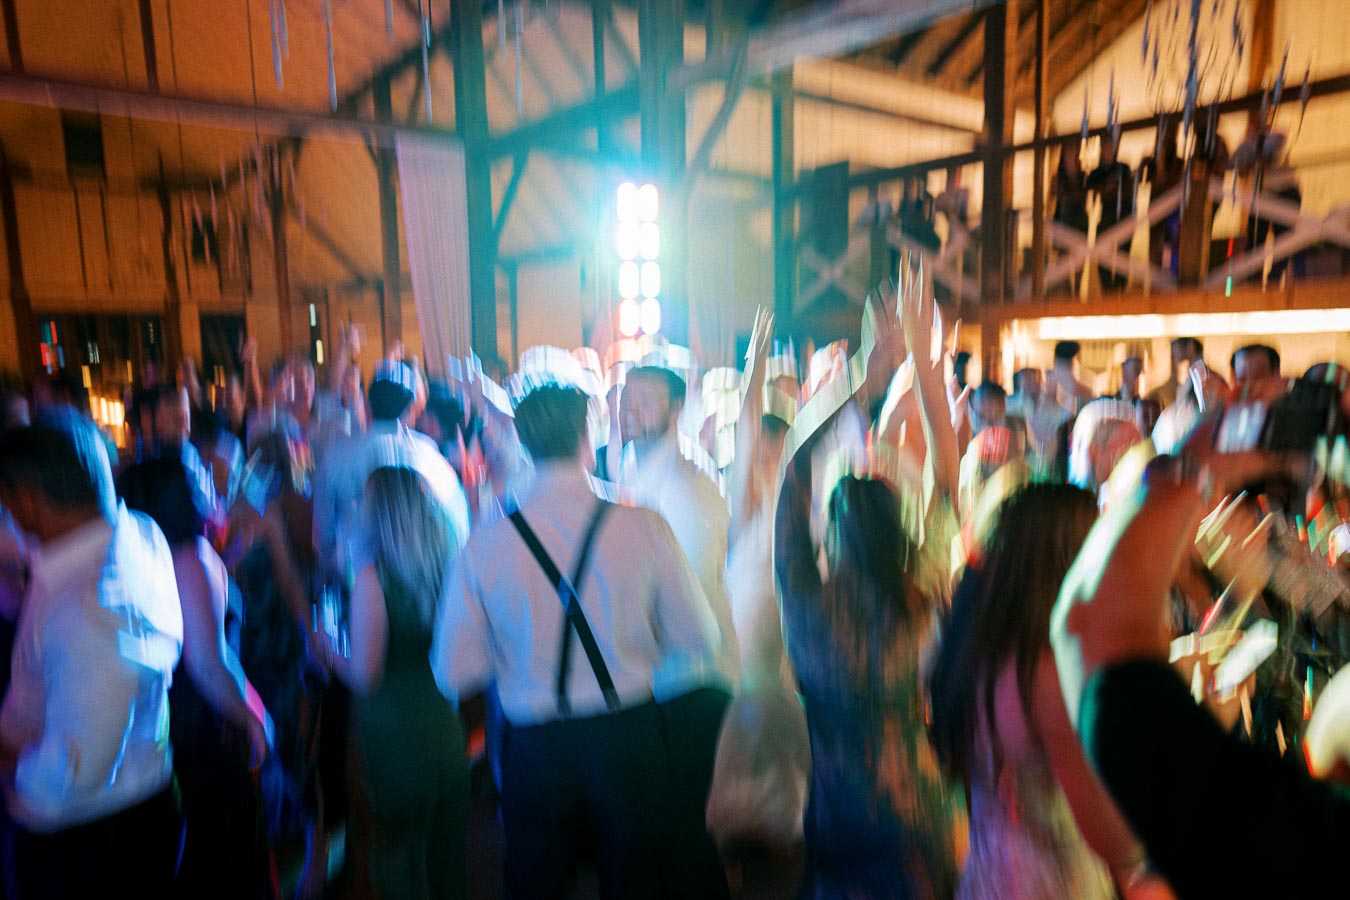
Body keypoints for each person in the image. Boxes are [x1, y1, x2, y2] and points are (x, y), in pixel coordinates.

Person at [432, 383, 721, 899]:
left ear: (522, 445)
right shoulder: (643, 527)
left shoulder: (486, 546)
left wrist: (515, 651)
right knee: (637, 887)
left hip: (535, 748)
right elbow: (702, 637)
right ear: (587, 438)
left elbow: (453, 673)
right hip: (628, 738)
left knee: (536, 888)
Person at [1051, 450, 1350, 898]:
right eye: (1200, 500)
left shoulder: (1251, 560)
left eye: (1217, 498)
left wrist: (1289, 574)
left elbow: (1329, 622)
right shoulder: (1167, 599)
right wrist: (1238, 597)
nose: (1216, 514)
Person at [776, 286, 965, 897]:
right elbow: (947, 476)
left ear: (828, 533)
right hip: (919, 806)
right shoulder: (918, 590)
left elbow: (795, 463)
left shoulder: (806, 602)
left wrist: (862, 365)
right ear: (897, 532)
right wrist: (926, 371)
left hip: (837, 811)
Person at [930, 483, 1157, 898]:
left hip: (987, 880)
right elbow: (1117, 841)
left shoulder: (979, 648)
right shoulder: (1048, 678)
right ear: (1072, 560)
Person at [0, 415, 184, 898]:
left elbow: (67, 778)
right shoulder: (140, 531)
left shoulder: (90, 615)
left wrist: (9, 761)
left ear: (27, 501)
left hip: (93, 840)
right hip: (133, 805)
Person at [118, 455, 274, 898]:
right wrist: (251, 717)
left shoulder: (142, 556)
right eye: (197, 476)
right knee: (222, 846)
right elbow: (208, 663)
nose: (208, 480)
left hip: (166, 717)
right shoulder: (188, 557)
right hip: (202, 722)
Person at [618, 363, 739, 897]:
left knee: (689, 841)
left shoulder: (687, 489)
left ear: (674, 410)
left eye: (645, 400)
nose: (631, 410)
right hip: (657, 682)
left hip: (692, 682)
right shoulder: (632, 470)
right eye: (627, 399)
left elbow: (683, 608)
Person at [325, 466, 470, 900]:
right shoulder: (449, 567)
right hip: (444, 728)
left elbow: (365, 676)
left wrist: (326, 647)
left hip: (394, 735)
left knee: (396, 859)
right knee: (446, 863)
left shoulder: (374, 579)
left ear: (378, 513)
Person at [314, 359, 469, 584]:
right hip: (419, 585)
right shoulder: (430, 456)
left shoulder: (337, 456)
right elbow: (458, 528)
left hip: (355, 580)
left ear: (367, 404)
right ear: (412, 407)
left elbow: (322, 534)